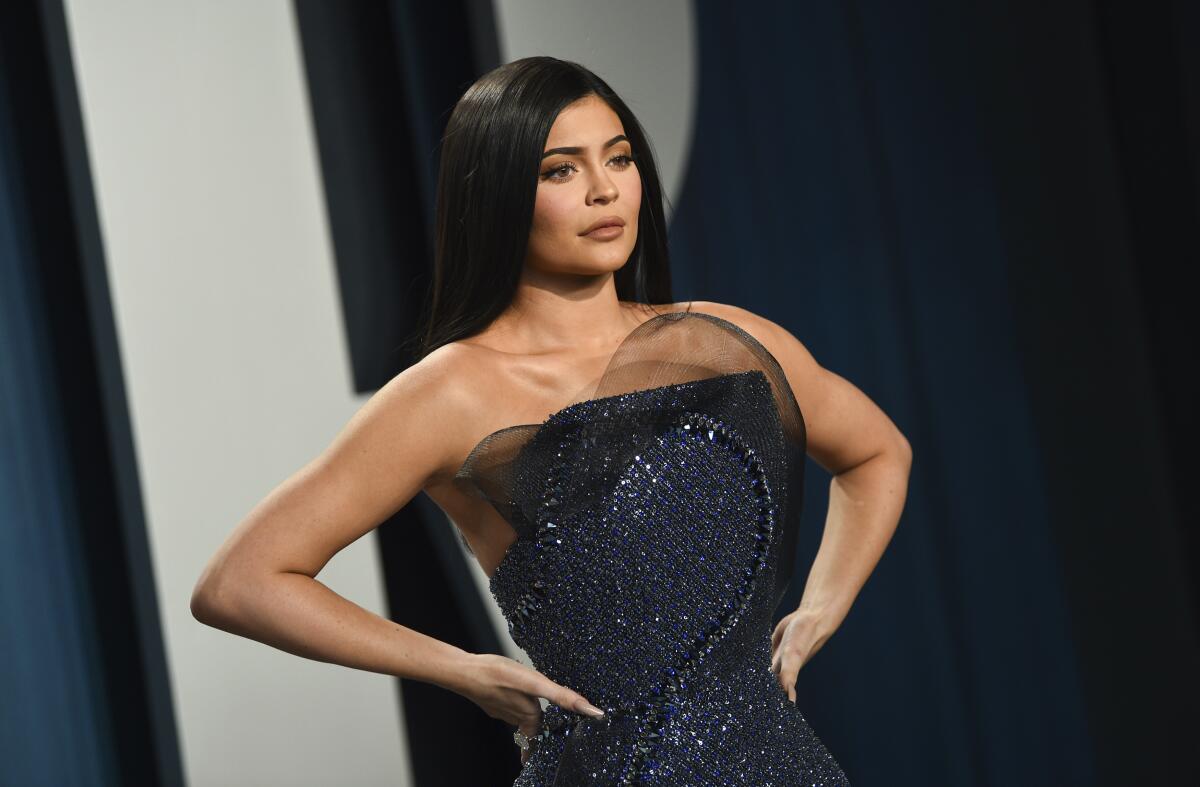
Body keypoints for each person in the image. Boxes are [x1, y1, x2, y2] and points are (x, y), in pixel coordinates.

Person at [192, 55, 910, 785]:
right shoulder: (451, 393)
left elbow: (878, 452)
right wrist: (465, 670)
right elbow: (240, 581)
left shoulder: (726, 341)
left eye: (620, 157)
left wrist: (823, 605)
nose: (605, 190)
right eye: (560, 170)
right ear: (498, 193)